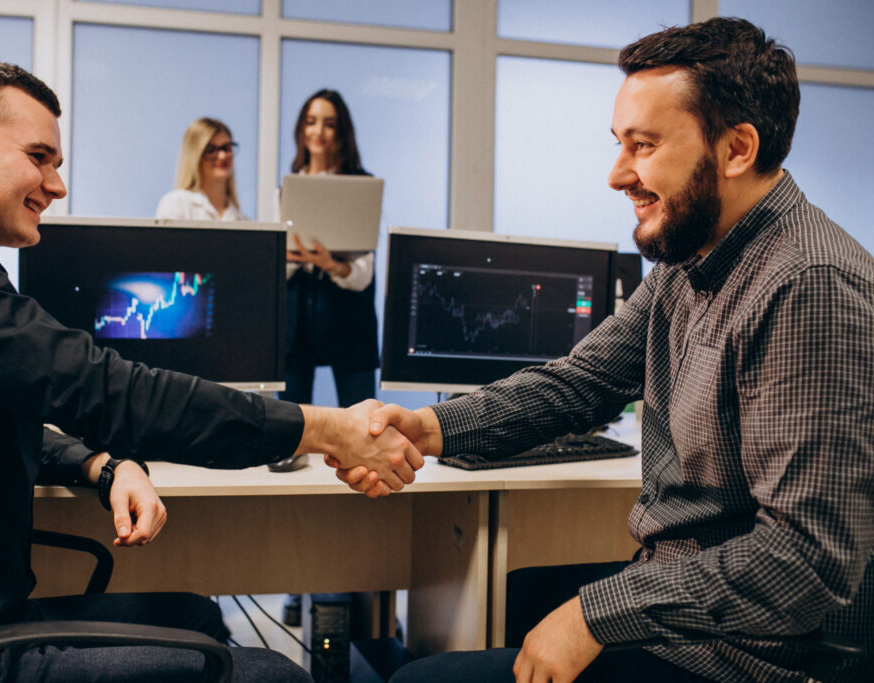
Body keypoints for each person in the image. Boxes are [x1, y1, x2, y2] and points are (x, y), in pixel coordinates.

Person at [0, 56, 422, 682]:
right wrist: (323, 428)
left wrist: (101, 463)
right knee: (272, 673)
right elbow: (108, 390)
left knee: (196, 616)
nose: (57, 184)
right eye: (39, 158)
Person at [342, 17, 874, 683]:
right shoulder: (696, 257)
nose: (617, 174)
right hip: (684, 606)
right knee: (509, 604)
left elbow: (805, 557)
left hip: (749, 658)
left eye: (643, 146)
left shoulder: (808, 286)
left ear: (737, 148)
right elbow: (579, 383)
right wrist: (428, 426)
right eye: (620, 144)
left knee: (422, 680)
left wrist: (596, 614)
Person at [280, 89, 379, 409]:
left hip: (349, 321)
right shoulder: (286, 189)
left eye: (329, 124)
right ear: (301, 129)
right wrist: (295, 258)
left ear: (342, 132)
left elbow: (364, 274)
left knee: (363, 421)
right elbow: (274, 268)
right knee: (292, 425)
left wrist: (331, 264)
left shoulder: (362, 185)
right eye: (311, 122)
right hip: (296, 325)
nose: (318, 132)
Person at [155, 117, 248, 221]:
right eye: (210, 150)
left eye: (226, 148)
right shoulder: (176, 203)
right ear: (195, 156)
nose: (222, 156)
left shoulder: (243, 220)